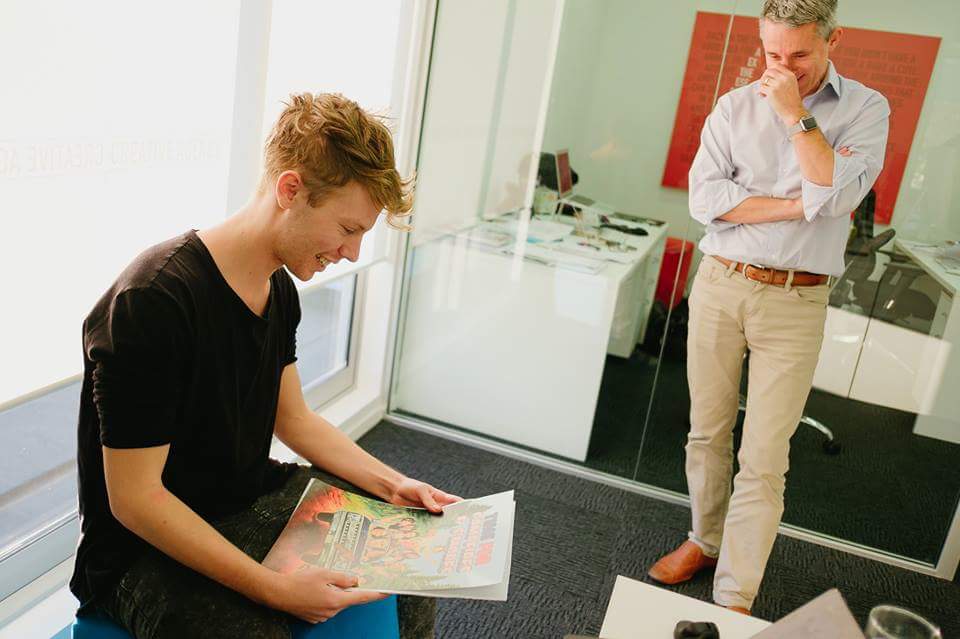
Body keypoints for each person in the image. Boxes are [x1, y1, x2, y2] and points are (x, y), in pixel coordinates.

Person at [70, 92, 458, 639]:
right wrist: (274, 589)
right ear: (290, 190)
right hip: (137, 554)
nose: (351, 252)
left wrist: (394, 485)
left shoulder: (278, 290)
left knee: (412, 559)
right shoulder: (153, 300)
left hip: (243, 497)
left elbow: (293, 419)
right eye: (348, 229)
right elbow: (135, 501)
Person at [648, 0, 889, 614]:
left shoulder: (866, 109)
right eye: (772, 52)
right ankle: (704, 540)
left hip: (796, 299)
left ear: (834, 39)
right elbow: (706, 201)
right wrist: (798, 205)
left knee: (764, 455)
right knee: (706, 431)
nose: (782, 67)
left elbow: (836, 195)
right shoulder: (733, 106)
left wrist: (793, 115)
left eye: (798, 54)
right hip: (721, 283)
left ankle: (735, 592)